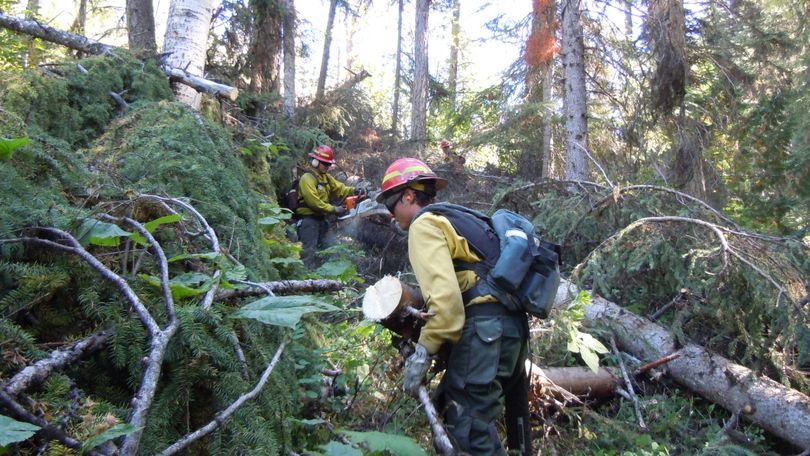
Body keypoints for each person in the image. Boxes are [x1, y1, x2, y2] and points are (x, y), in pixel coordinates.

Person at [377, 157, 531, 455]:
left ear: (408, 195)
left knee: (469, 434)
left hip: (487, 332)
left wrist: (422, 353)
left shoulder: (424, 226)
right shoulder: (454, 218)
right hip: (512, 330)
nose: (391, 214)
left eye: (390, 204)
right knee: (450, 406)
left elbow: (447, 310)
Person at [296, 145, 363, 266]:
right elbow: (314, 202)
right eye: (325, 164)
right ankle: (304, 280)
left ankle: (324, 279)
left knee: (328, 250)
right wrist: (333, 209)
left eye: (329, 165)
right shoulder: (307, 178)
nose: (327, 167)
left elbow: (340, 188)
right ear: (316, 162)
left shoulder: (326, 178)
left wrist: (354, 191)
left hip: (322, 220)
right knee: (308, 253)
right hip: (309, 221)